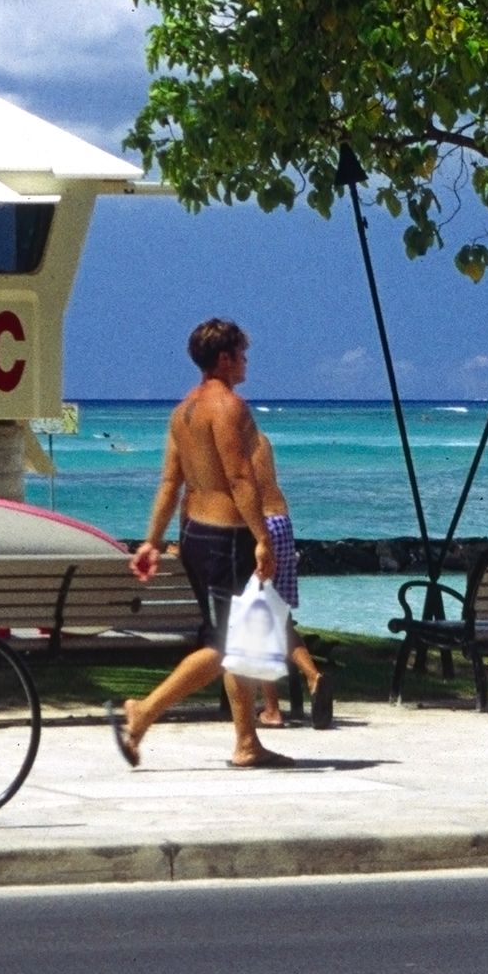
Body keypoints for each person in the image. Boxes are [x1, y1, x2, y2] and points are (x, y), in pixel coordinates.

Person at [115, 318, 291, 770]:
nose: (247, 362)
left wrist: (152, 542)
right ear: (226, 358)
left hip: (194, 536)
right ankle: (143, 713)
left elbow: (170, 482)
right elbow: (238, 477)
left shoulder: (183, 411)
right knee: (227, 645)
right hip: (226, 539)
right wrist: (262, 537)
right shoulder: (228, 407)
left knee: (240, 639)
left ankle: (247, 742)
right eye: (243, 354)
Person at [246, 433, 332, 730]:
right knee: (279, 617)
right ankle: (313, 675)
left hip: (258, 526)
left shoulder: (227, 440)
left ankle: (271, 708)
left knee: (256, 618)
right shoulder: (261, 439)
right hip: (282, 520)